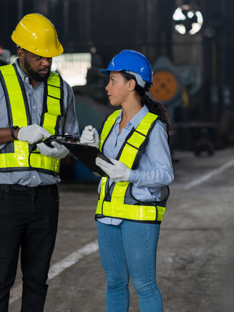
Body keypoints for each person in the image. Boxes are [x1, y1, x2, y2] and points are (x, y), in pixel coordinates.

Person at [0, 13, 79, 312]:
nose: (46, 64)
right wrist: (15, 133)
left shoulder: (62, 89)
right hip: (5, 196)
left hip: (46, 197)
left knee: (37, 280)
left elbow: (71, 137)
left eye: (50, 58)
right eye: (40, 57)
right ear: (21, 52)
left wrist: (65, 150)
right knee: (0, 279)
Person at [79, 50, 174, 312]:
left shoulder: (153, 127)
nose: (107, 87)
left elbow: (166, 175)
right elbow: (105, 168)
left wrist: (130, 175)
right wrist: (89, 149)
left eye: (113, 81)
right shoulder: (111, 121)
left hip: (139, 217)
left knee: (144, 286)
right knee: (115, 284)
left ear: (131, 84)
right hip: (107, 215)